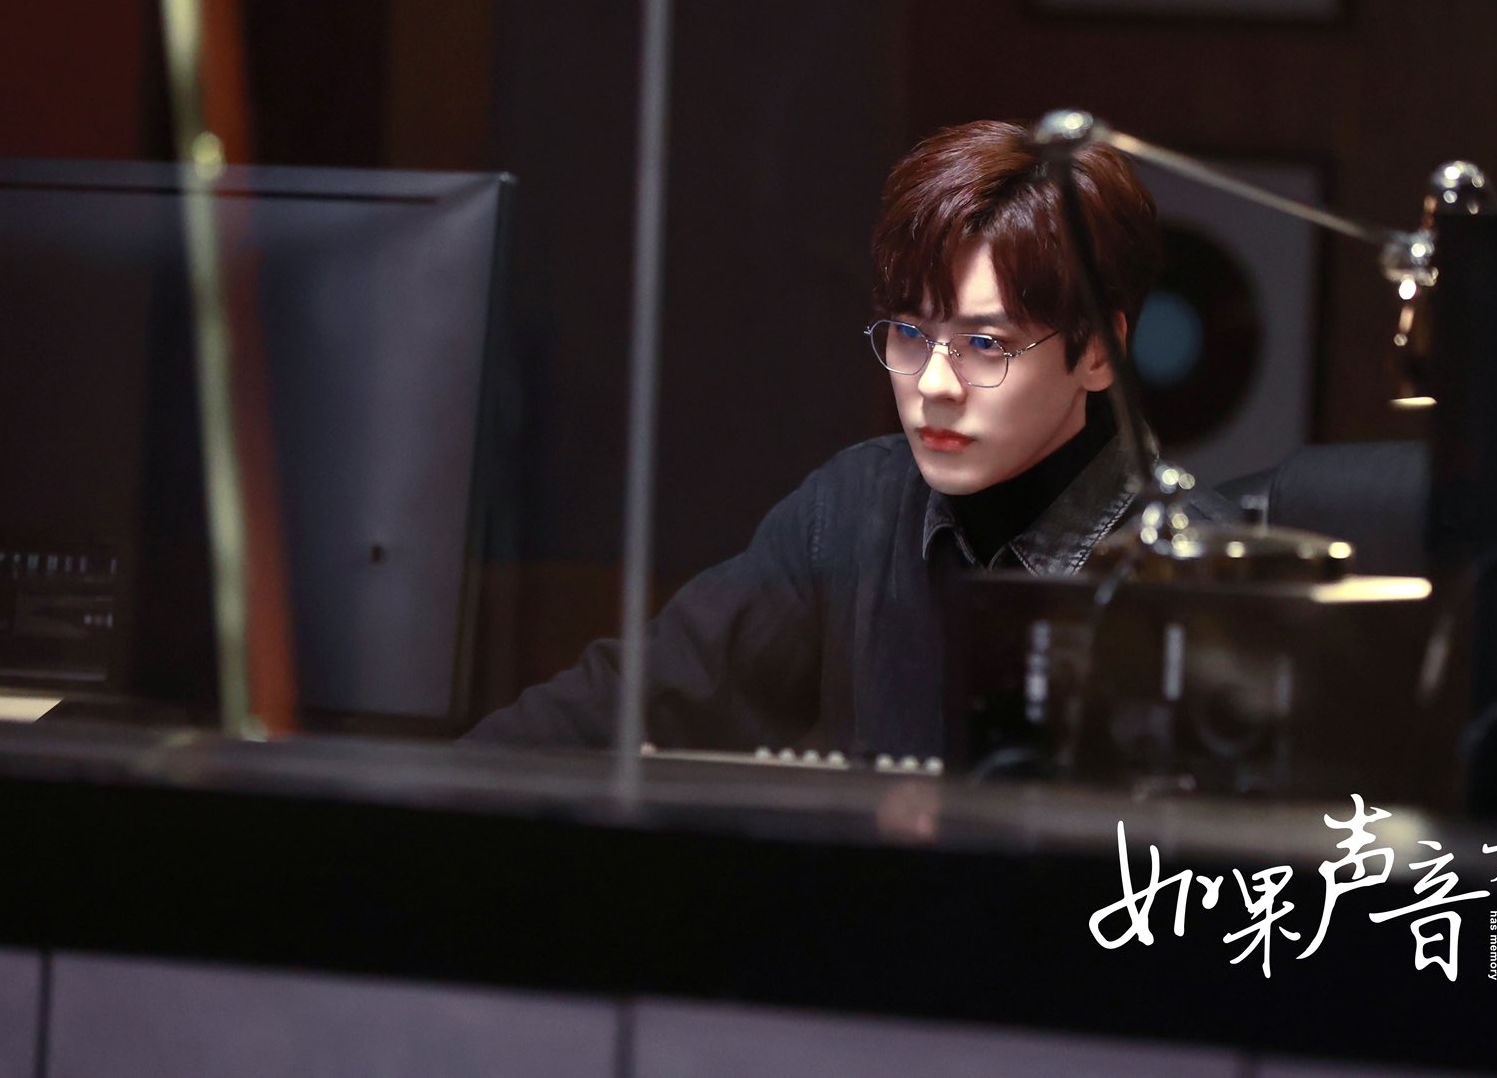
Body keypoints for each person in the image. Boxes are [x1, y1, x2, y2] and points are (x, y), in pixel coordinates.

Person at [466, 120, 1240, 758]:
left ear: (1099, 351)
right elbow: (625, 706)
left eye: (985, 345)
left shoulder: (1199, 580)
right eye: (910, 333)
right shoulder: (854, 508)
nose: (933, 384)